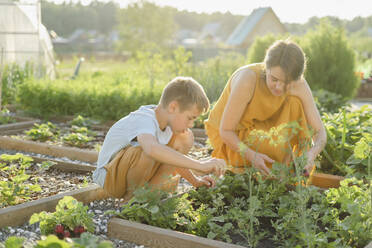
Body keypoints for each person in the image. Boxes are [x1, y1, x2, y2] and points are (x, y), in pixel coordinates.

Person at [204, 39, 327, 179]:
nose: (279, 87)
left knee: (295, 101)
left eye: (286, 82)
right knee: (269, 146)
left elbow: (320, 132)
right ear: (266, 67)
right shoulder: (248, 78)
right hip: (234, 138)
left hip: (267, 134)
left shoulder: (299, 85)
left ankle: (285, 166)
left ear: (297, 78)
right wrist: (252, 155)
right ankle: (265, 167)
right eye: (274, 79)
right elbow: (225, 131)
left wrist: (311, 154)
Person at [93, 76, 226, 200]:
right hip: (109, 177)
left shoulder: (168, 126)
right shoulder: (144, 119)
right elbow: (151, 149)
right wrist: (200, 165)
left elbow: (173, 159)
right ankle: (130, 200)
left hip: (130, 174)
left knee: (185, 137)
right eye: (190, 118)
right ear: (173, 107)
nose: (191, 124)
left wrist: (195, 181)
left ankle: (147, 197)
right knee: (150, 150)